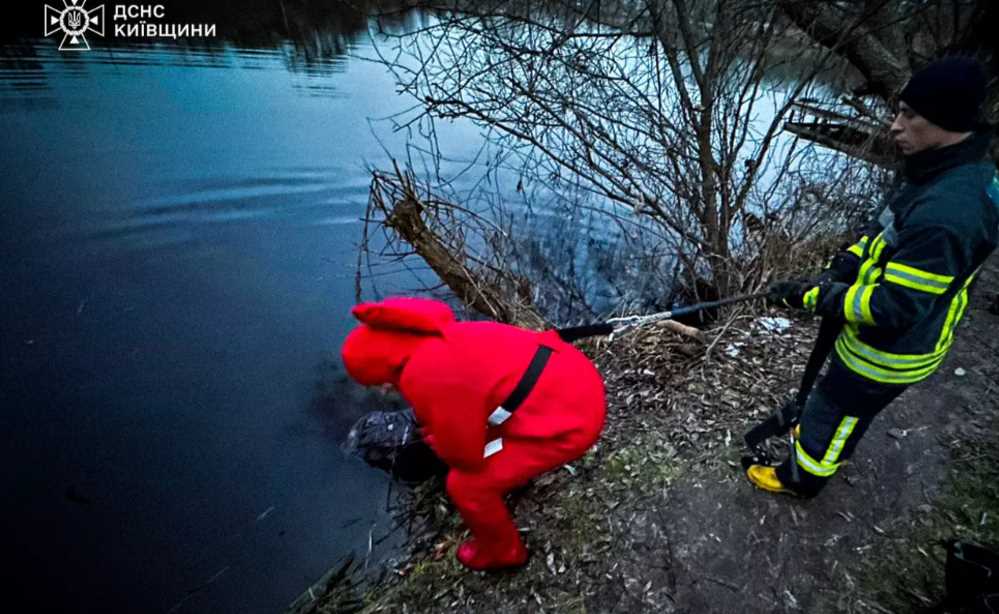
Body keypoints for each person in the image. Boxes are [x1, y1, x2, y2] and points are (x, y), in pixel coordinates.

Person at [748, 56, 999, 497]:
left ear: (947, 119)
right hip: (913, 337)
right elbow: (888, 230)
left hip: (888, 352)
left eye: (910, 115)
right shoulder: (951, 173)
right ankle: (834, 452)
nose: (894, 126)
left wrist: (816, 297)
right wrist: (848, 261)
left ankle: (801, 478)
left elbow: (893, 306)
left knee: (832, 407)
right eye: (898, 111)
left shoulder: (947, 212)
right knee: (853, 410)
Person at [341, 296, 606, 570]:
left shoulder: (424, 376)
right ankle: (512, 475)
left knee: (465, 485)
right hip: (570, 374)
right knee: (486, 439)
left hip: (571, 423)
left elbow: (466, 456)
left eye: (376, 383)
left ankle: (504, 553)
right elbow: (474, 393)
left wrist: (439, 440)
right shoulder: (450, 335)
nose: (383, 390)